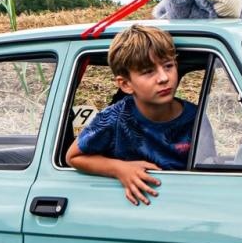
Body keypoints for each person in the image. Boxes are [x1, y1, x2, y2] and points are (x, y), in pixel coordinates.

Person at [66, 24, 197, 206]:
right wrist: (120, 169)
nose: (163, 78)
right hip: (133, 205)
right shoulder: (114, 117)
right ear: (126, 84)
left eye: (168, 66)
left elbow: (206, 167)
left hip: (185, 201)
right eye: (148, 72)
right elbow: (73, 157)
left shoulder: (196, 117)